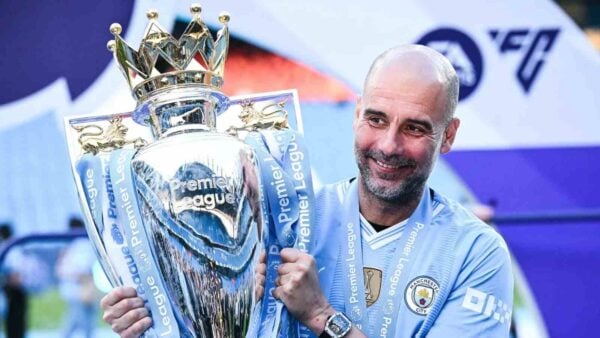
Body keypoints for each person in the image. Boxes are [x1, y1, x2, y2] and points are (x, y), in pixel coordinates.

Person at [100, 44, 513, 337]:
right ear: (355, 117)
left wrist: (321, 316)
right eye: (376, 119)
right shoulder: (286, 220)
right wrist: (163, 318)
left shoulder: (476, 252)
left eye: (415, 128)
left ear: (448, 135)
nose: (388, 145)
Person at [56, 217, 101, 338]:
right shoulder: (80, 244)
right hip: (79, 290)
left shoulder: (81, 245)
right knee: (81, 323)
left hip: (80, 289)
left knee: (77, 322)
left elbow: (80, 270)